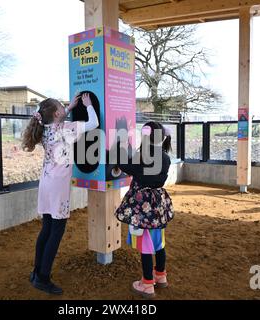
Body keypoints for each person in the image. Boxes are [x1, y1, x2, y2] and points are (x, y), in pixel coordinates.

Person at [22, 93, 98, 295]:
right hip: (58, 187)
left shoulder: (45, 129)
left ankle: (37, 271)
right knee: (56, 232)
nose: (65, 107)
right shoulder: (66, 129)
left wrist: (70, 107)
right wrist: (88, 105)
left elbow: (57, 119)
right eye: (61, 107)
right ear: (57, 113)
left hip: (46, 183)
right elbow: (94, 123)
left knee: (46, 229)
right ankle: (43, 278)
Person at [115, 121, 174, 299]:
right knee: (159, 243)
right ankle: (160, 275)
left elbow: (127, 167)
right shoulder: (165, 157)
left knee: (145, 245)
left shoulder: (144, 156)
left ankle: (147, 284)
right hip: (158, 205)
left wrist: (120, 147)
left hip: (143, 208)